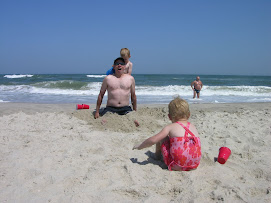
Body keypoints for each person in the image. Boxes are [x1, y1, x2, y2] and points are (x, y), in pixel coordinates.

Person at [133, 97, 201, 171]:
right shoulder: (193, 127)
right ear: (189, 115)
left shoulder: (170, 127)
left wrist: (140, 146)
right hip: (194, 164)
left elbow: (153, 140)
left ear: (169, 117)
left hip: (175, 165)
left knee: (162, 137)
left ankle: (157, 156)